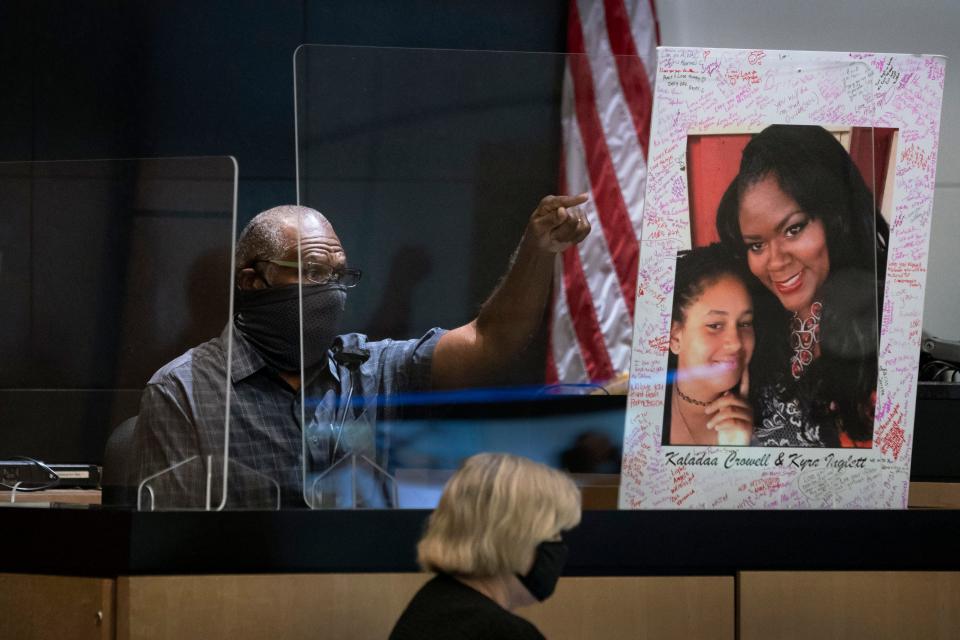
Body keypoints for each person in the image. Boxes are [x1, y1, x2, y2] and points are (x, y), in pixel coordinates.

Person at [134, 196, 590, 509]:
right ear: (253, 281)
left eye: (338, 274)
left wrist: (539, 249)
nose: (331, 290)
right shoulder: (185, 389)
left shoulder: (368, 371)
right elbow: (175, 546)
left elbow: (492, 342)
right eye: (312, 271)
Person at [716, 124, 888, 448]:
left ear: (836, 217)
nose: (775, 261)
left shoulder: (885, 328)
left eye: (793, 229)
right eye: (756, 245)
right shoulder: (751, 323)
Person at [389, 453, 581, 640]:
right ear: (513, 538)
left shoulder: (435, 602)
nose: (558, 546)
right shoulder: (501, 631)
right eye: (553, 533)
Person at [663, 243, 755, 446]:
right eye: (715, 325)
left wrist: (739, 451)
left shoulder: (774, 425)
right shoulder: (640, 409)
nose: (736, 343)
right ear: (675, 337)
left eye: (745, 323)